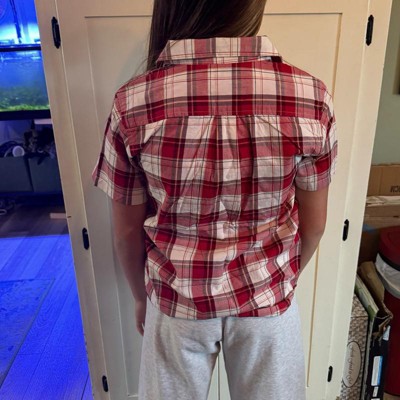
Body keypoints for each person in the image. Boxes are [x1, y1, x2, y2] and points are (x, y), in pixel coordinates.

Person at [91, 0, 338, 399]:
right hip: (267, 302)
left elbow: (125, 233)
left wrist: (140, 297)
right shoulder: (310, 97)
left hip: (176, 302)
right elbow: (315, 227)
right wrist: (282, 280)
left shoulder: (133, 102)